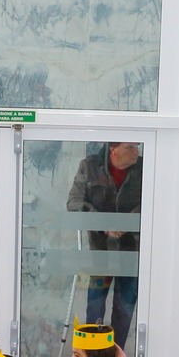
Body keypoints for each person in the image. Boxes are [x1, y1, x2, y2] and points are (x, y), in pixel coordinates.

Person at [67, 141, 142, 346]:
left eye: (137, 146)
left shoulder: (146, 169)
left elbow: (155, 203)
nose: (136, 151)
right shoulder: (89, 168)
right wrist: (103, 223)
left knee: (124, 310)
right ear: (113, 149)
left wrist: (129, 222)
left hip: (132, 254)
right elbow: (73, 204)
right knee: (95, 309)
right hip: (100, 255)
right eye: (130, 147)